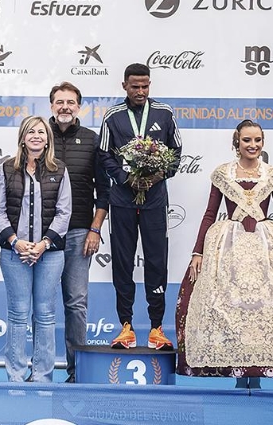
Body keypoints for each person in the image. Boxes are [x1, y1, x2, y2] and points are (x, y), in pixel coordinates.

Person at [176, 119, 273, 387]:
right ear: (237, 142)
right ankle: (237, 372)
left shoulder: (272, 175)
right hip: (229, 246)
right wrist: (197, 251)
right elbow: (210, 214)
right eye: (247, 140)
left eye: (257, 140)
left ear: (263, 142)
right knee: (231, 305)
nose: (253, 145)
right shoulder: (222, 174)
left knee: (264, 306)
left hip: (265, 245)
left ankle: (259, 373)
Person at [98, 63, 182, 350]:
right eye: (135, 86)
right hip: (121, 201)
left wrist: (157, 175)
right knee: (122, 263)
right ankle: (126, 327)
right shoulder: (113, 117)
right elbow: (104, 156)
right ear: (124, 86)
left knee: (156, 263)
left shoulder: (164, 113)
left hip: (155, 202)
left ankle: (157, 328)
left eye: (145, 86)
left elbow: (176, 153)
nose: (141, 91)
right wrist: (126, 179)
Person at [0, 116, 71, 382]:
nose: (36, 135)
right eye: (30, 131)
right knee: (17, 313)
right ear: (22, 137)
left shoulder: (59, 169)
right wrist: (15, 242)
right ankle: (15, 376)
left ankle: (42, 377)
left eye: (41, 132)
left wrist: (43, 243)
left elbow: (64, 212)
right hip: (15, 253)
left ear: (47, 138)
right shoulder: (5, 169)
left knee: (46, 314)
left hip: (50, 254)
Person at [48, 82, 109, 382]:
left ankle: (76, 373)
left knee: (75, 303)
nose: (65, 107)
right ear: (51, 106)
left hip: (78, 234)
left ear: (79, 107)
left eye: (70, 102)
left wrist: (95, 230)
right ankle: (40, 372)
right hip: (42, 238)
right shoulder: (37, 136)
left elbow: (104, 192)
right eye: (59, 102)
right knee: (41, 305)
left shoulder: (91, 140)